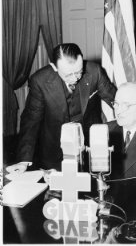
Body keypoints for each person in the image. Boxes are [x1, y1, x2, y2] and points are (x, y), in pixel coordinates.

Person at [7, 43, 116, 173]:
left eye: (79, 71)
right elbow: (31, 121)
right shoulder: (40, 80)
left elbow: (116, 100)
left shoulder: (94, 71)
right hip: (55, 151)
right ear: (54, 67)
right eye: (68, 75)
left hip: (91, 150)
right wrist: (23, 161)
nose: (75, 78)